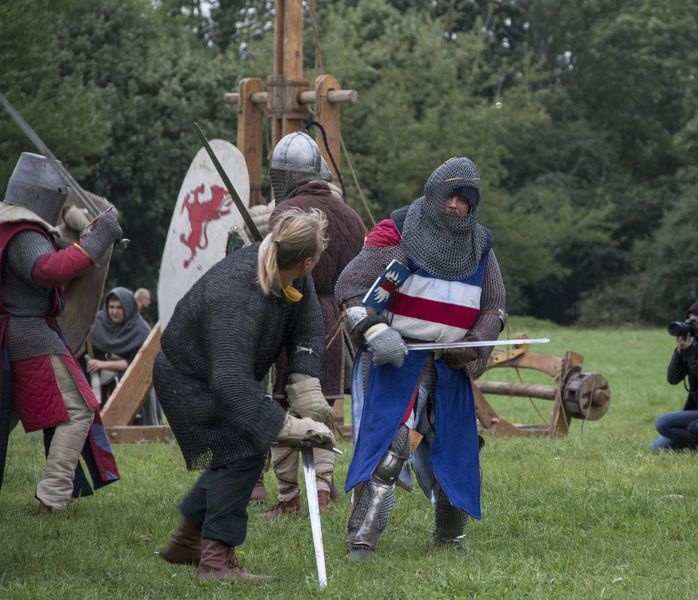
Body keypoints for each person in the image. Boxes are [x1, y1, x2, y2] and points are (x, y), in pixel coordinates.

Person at [335, 156, 506, 561]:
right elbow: (350, 288)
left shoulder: (480, 246)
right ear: (434, 194)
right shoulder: (401, 232)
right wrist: (376, 331)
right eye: (449, 195)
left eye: (464, 198)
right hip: (399, 358)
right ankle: (362, 538)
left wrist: (475, 342)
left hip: (449, 363)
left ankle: (450, 537)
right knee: (391, 445)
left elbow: (494, 307)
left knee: (457, 447)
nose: (454, 204)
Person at [154, 207, 335, 583]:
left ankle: (187, 540)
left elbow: (308, 327)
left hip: (215, 374)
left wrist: (307, 385)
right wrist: (283, 426)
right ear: (307, 259)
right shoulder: (239, 295)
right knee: (242, 452)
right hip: (188, 378)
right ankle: (217, 563)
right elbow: (230, 383)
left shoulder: (294, 273)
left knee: (231, 455)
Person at [0, 152, 122, 511]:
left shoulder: (11, 229)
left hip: (18, 332)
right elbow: (47, 270)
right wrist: (96, 241)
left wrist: (88, 239)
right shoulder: (24, 232)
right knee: (80, 407)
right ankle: (53, 496)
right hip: (29, 333)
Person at [258, 131, 368, 518]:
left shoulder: (283, 213)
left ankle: (290, 498)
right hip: (335, 323)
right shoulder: (351, 217)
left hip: (291, 315)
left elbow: (271, 275)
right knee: (322, 410)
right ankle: (321, 488)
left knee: (284, 408)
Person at [88, 287, 161, 424]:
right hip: (97, 375)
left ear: (128, 307)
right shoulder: (98, 322)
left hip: (132, 376)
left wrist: (103, 364)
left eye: (119, 308)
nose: (114, 312)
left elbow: (137, 363)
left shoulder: (140, 329)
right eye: (111, 307)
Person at [651, 302, 698, 451]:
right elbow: (673, 378)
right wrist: (680, 351)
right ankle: (697, 440)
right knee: (656, 448)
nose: (692, 326)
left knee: (663, 424)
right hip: (695, 410)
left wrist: (691, 352)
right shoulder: (691, 347)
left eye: (697, 323)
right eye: (689, 322)